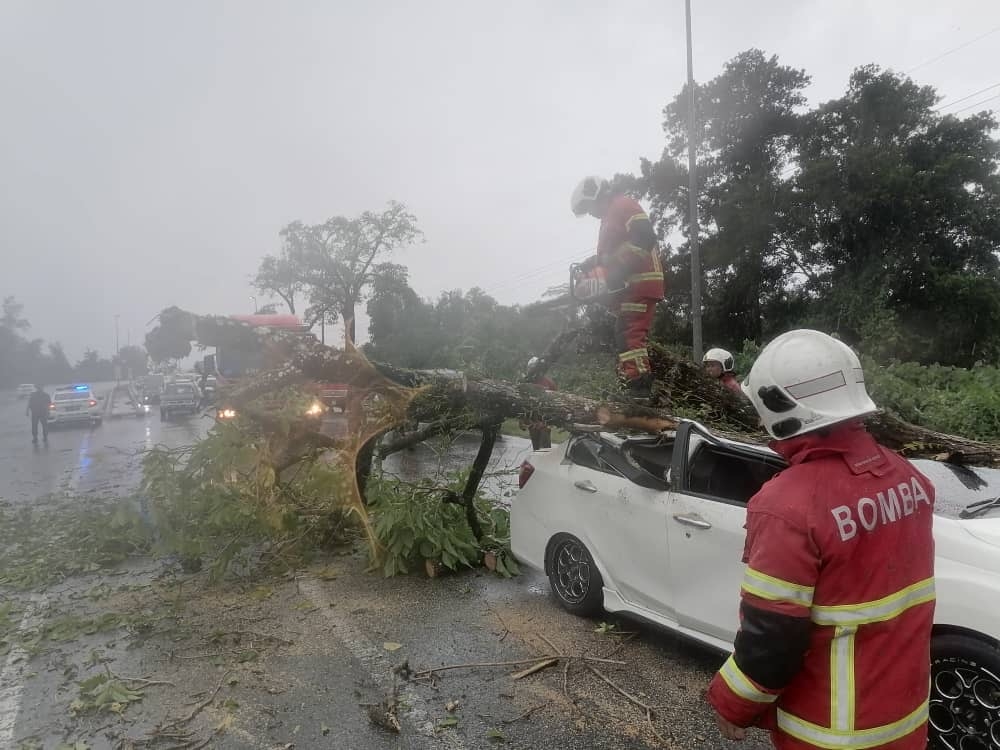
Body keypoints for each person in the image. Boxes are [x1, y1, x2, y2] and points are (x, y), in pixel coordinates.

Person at [707, 329, 936, 749]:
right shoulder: (909, 477)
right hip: (907, 722)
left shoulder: (786, 507)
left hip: (831, 732)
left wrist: (731, 701)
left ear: (780, 407)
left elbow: (772, 640)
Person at [570, 176, 664, 404]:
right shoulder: (609, 217)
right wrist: (592, 263)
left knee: (630, 334)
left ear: (597, 195)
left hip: (640, 282)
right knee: (624, 334)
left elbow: (645, 237)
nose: (590, 213)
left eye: (589, 207)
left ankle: (640, 392)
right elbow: (610, 255)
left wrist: (618, 272)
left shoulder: (623, 205)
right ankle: (633, 388)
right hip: (631, 286)